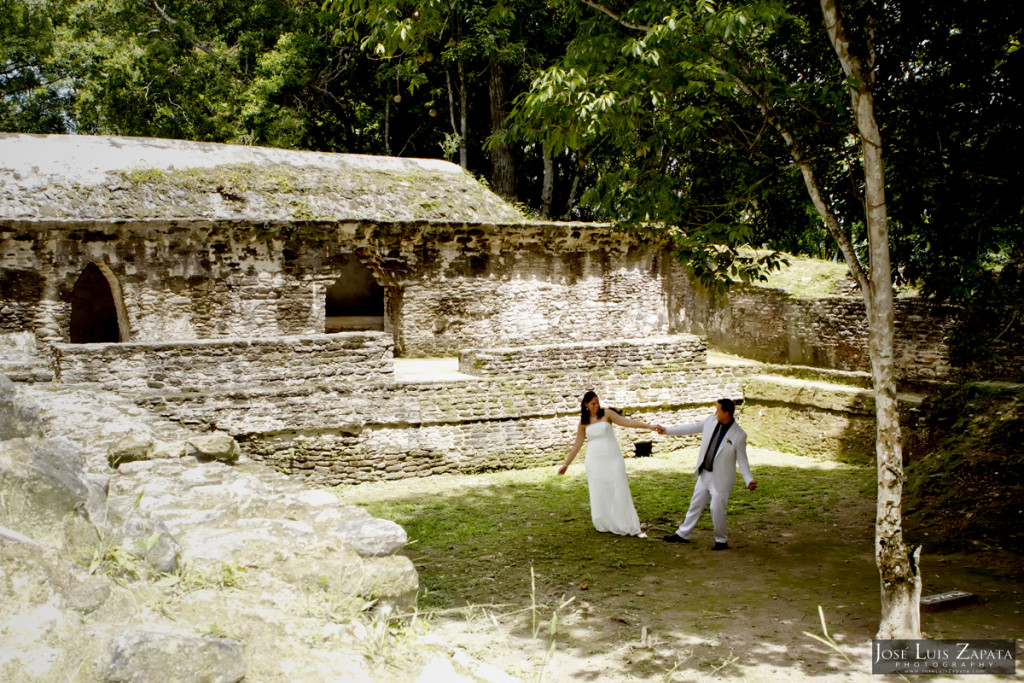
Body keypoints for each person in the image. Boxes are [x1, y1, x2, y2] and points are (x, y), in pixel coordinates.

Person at [556, 391, 660, 538]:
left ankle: (630, 524)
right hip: (594, 460)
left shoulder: (607, 414)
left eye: (597, 402)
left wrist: (649, 426)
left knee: (619, 486)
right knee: (600, 490)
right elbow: (577, 444)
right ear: (586, 405)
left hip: (612, 456)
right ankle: (605, 522)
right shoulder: (583, 422)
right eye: (593, 403)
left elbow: (627, 422)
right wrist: (566, 464)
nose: (596, 406)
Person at [656, 398, 756, 550]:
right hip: (705, 474)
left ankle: (721, 540)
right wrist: (667, 431)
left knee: (716, 509)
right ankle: (682, 534)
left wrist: (749, 479)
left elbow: (742, 460)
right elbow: (692, 427)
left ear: (727, 413)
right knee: (695, 504)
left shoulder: (739, 435)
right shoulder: (711, 420)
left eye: (718, 410)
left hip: (721, 478)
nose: (715, 412)